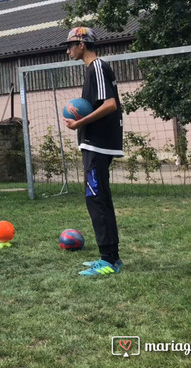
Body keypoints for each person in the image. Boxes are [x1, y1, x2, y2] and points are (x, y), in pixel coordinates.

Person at [62, 27, 124, 276]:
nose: (67, 50)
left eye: (70, 45)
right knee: (99, 199)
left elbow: (111, 104)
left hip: (99, 144)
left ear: (82, 45)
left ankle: (108, 261)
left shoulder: (97, 67)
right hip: (94, 144)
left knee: (96, 199)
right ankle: (112, 258)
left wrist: (80, 122)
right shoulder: (93, 69)